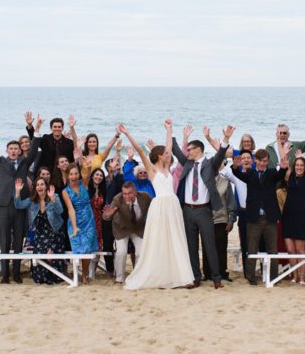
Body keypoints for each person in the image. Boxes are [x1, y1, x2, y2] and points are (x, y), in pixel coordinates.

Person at [120, 121, 195, 289]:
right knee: (160, 240)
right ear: (159, 156)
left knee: (175, 238)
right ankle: (160, 275)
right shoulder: (152, 169)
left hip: (172, 205)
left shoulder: (167, 167)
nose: (168, 155)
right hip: (160, 206)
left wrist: (169, 129)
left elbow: (168, 146)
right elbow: (140, 150)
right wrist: (127, 134)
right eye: (165, 154)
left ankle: (181, 277)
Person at [173, 124, 234, 288]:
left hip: (204, 210)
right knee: (191, 246)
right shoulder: (187, 163)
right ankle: (195, 278)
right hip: (187, 210)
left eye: (190, 149)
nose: (188, 152)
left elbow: (220, 154)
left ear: (198, 150)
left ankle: (216, 278)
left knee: (209, 245)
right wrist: (174, 132)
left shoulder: (209, 164)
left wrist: (226, 138)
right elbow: (175, 149)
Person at [0, 112, 39, 284]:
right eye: (11, 149)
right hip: (3, 204)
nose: (14, 151)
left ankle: (16, 273)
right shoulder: (0, 162)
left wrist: (36, 129)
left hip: (20, 204)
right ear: (7, 151)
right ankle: (5, 275)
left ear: (20, 151)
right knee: (5, 239)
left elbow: (35, 149)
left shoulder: (24, 162)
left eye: (16, 149)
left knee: (18, 240)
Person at [232, 148, 286, 286]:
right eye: (260, 161)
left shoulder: (272, 172)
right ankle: (251, 277)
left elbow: (281, 175)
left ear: (268, 161)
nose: (262, 163)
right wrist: (235, 166)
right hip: (254, 218)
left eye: (265, 161)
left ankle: (273, 277)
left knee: (272, 249)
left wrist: (284, 167)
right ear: (255, 161)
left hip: (270, 218)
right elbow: (236, 174)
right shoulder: (249, 173)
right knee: (252, 248)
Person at [279, 132, 305, 284]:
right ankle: (294, 276)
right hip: (287, 216)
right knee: (290, 250)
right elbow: (283, 162)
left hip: (301, 216)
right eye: (297, 165)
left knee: (300, 250)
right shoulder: (289, 176)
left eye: (301, 165)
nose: (299, 167)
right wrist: (284, 151)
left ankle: (301, 277)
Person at [15, 178, 67, 285]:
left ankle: (54, 271)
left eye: (42, 184)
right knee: (39, 253)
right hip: (40, 233)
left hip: (55, 231)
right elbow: (18, 205)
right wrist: (17, 191)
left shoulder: (54, 196)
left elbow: (60, 211)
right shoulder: (32, 200)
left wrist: (53, 199)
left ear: (46, 186)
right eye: (37, 185)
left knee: (51, 250)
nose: (39, 186)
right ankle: (43, 273)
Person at [103, 181, 150, 284]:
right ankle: (119, 278)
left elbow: (154, 207)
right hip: (122, 228)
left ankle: (138, 276)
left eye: (129, 193)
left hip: (137, 228)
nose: (127, 196)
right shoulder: (117, 199)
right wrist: (107, 215)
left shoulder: (145, 197)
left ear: (135, 192)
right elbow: (107, 216)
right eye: (124, 193)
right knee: (121, 252)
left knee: (140, 252)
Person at [61, 164, 98, 282]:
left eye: (76, 173)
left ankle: (84, 274)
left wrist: (87, 166)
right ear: (67, 176)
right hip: (75, 221)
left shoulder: (84, 183)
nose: (74, 176)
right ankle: (77, 274)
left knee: (87, 248)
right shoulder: (65, 191)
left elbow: (88, 173)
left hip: (88, 220)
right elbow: (70, 209)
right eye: (71, 174)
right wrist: (75, 226)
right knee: (78, 248)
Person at [86, 167, 109, 279]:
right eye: (97, 175)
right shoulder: (86, 188)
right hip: (87, 220)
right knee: (88, 245)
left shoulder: (103, 190)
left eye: (101, 175)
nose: (98, 177)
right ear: (92, 176)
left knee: (98, 244)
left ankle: (92, 272)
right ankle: (87, 271)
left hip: (99, 220)